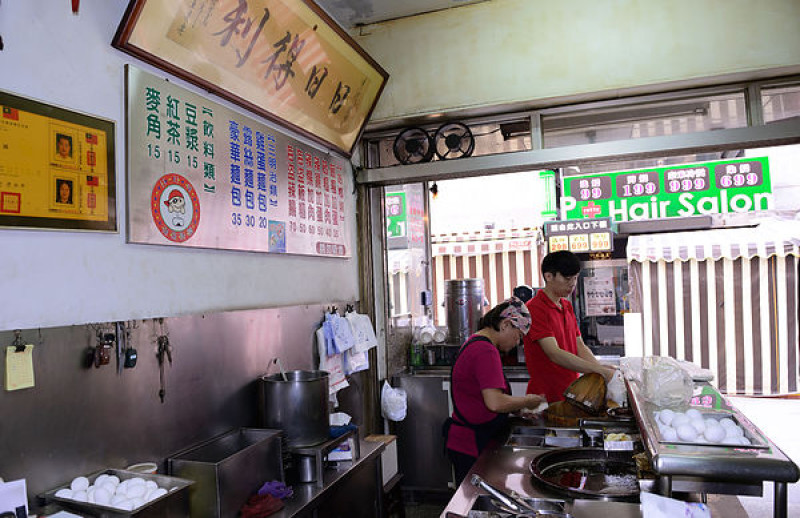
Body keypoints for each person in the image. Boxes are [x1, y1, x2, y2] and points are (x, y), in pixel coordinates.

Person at [444, 297, 546, 485]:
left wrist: (516, 410)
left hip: (468, 439)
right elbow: (495, 402)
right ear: (506, 324)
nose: (517, 343)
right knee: (475, 506)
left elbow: (482, 397)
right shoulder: (485, 350)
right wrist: (528, 401)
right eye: (519, 336)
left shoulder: (476, 342)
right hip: (472, 443)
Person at [523, 251, 616, 402]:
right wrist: (600, 370)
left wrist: (601, 370)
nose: (572, 283)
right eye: (567, 278)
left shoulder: (566, 306)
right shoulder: (535, 308)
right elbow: (554, 353)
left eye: (575, 278)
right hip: (544, 397)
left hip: (572, 392)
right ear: (549, 276)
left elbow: (579, 346)